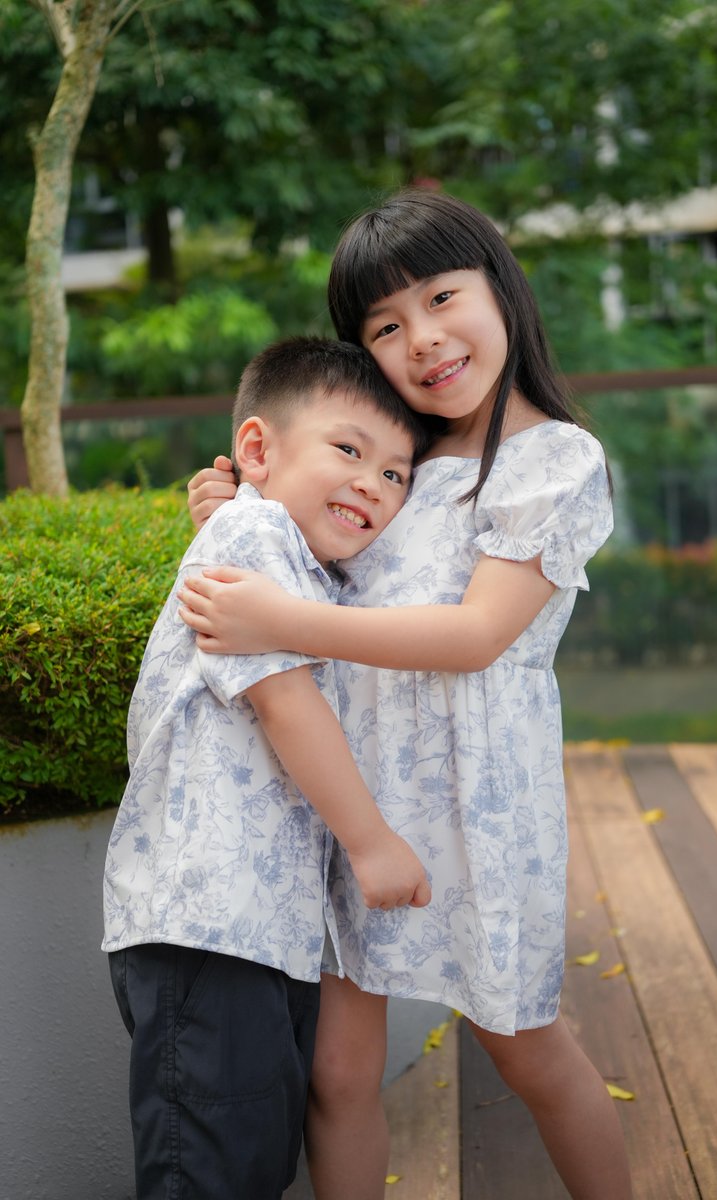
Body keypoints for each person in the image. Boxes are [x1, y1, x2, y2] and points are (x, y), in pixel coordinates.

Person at [181, 190, 632, 1199]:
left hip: (481, 811)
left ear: (500, 289)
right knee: (338, 1075)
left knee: (525, 1050)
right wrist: (245, 506)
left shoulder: (554, 460)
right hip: (359, 803)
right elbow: (318, 566)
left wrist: (278, 622)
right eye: (384, 327)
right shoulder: (397, 461)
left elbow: (473, 637)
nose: (421, 338)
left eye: (440, 298)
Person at [102, 336, 432, 1200]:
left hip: (253, 930)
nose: (373, 482)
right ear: (256, 448)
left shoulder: (297, 561)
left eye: (396, 474)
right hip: (207, 925)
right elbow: (286, 700)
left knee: (249, 1159)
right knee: (213, 1170)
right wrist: (371, 843)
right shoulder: (253, 531)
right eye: (348, 449)